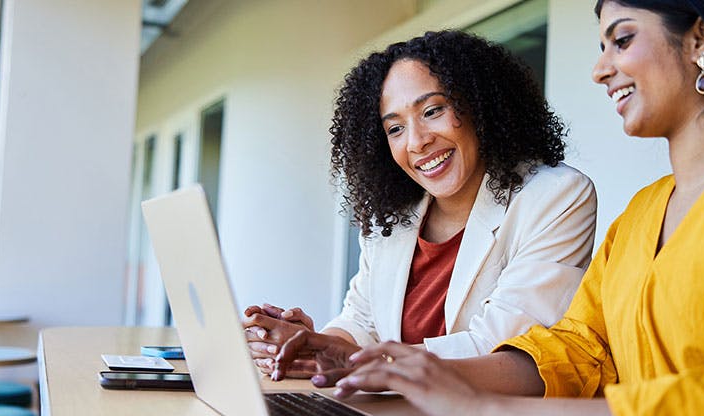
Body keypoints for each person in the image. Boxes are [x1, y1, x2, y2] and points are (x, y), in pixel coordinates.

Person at [274, 1, 704, 416]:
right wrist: (410, 369)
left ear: (700, 39)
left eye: (621, 38)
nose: (600, 68)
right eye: (602, 45)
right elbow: (573, 353)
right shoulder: (643, 212)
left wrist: (482, 410)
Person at [244, 31, 597, 380]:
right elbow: (361, 322)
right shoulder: (395, 216)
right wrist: (312, 346)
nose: (417, 142)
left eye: (432, 111)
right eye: (395, 129)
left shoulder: (557, 196)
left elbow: (505, 346)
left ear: (480, 105)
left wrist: (357, 359)